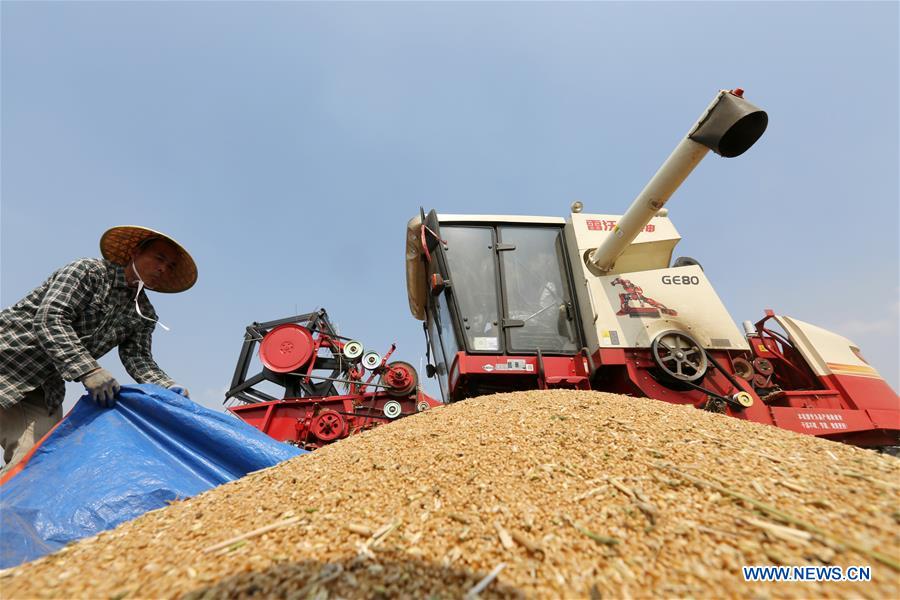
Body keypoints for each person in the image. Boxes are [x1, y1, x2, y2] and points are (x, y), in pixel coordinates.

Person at [0, 226, 197, 476]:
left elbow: (139, 360)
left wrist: (167, 387)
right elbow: (51, 318)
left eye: (169, 266)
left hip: (41, 389)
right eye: (159, 258)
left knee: (36, 463)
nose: (163, 269)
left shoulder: (144, 313)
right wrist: (89, 370)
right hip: (7, 359)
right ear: (135, 253)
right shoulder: (88, 272)